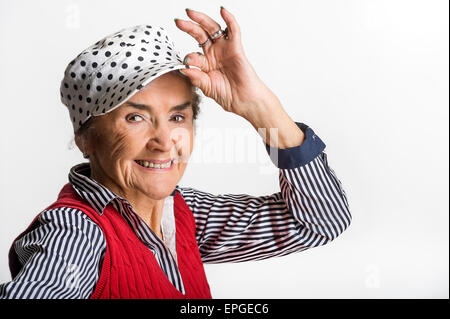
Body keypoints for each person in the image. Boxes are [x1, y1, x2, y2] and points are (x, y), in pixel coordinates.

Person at [0, 7, 351, 299]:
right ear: (86, 139)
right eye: (135, 117)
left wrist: (260, 107)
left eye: (177, 116)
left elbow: (320, 223)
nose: (165, 141)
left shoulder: (183, 212)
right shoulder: (76, 230)